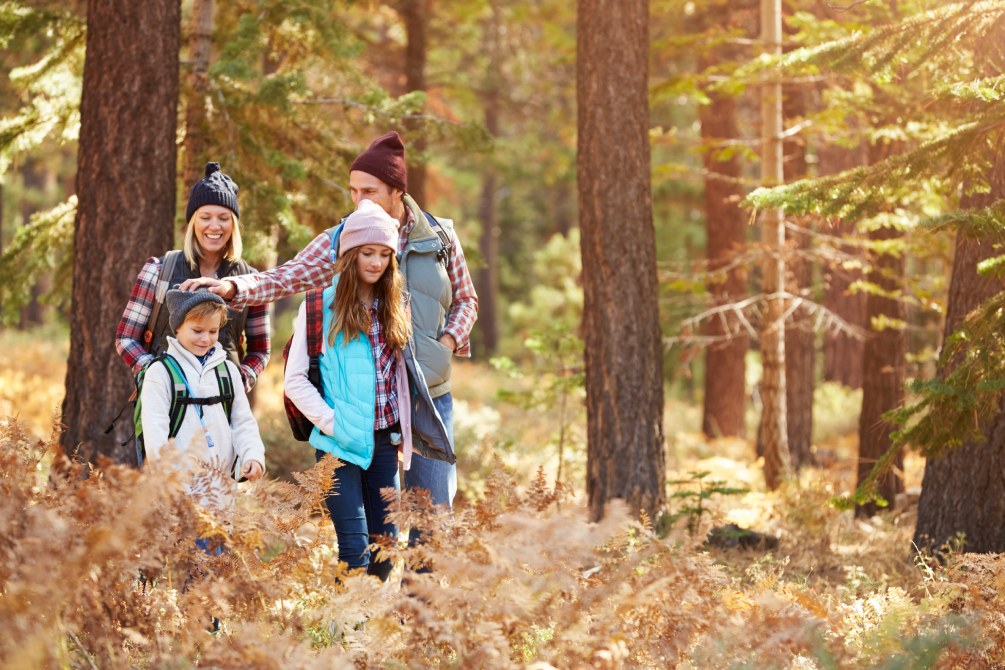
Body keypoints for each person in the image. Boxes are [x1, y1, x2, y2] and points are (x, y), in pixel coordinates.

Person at [180, 132, 477, 511]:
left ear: (396, 192)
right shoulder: (342, 238)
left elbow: (466, 299)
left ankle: (422, 575)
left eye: (368, 191)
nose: (358, 201)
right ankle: (369, 573)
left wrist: (446, 344)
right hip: (369, 402)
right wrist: (232, 286)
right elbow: (286, 276)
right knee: (377, 523)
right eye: (353, 191)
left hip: (428, 395)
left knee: (432, 513)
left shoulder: (440, 236)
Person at [284, 199, 449, 580]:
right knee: (355, 553)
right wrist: (332, 423)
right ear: (350, 254)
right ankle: (344, 633)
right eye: (367, 253)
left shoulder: (395, 305)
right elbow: (294, 380)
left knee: (385, 555)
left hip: (383, 446)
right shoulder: (318, 307)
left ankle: (370, 636)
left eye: (384, 254)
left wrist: (405, 432)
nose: (375, 262)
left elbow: (400, 378)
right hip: (338, 447)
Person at [117, 162, 270, 392]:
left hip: (222, 406)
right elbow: (125, 339)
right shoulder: (159, 271)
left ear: (234, 224)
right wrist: (155, 374)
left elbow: (260, 350)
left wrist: (241, 380)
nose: (215, 226)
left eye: (224, 218)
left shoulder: (248, 280)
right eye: (205, 217)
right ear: (193, 222)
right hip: (166, 404)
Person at [139, 289, 265, 486]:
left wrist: (253, 455)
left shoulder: (228, 371)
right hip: (178, 489)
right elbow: (155, 432)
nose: (206, 339)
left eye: (213, 331)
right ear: (178, 327)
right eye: (197, 331)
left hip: (222, 490)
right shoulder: (160, 372)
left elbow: (242, 421)